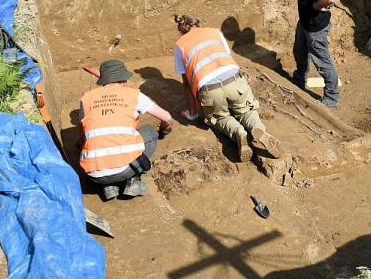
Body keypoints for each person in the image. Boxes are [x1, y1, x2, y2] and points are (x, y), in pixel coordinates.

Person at [173, 14, 280, 162]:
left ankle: (238, 132)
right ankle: (257, 128)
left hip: (210, 89)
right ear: (198, 24)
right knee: (246, 110)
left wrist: (193, 113)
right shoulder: (214, 32)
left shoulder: (180, 44)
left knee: (220, 117)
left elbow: (186, 84)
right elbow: (227, 56)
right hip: (234, 80)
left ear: (182, 30)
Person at [79, 59, 173, 200]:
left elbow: (83, 133)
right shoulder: (134, 95)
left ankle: (109, 187)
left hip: (94, 174)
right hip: (124, 170)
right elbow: (167, 117)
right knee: (148, 131)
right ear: (123, 79)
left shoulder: (86, 99)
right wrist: (165, 129)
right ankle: (132, 181)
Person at [290, 0, 339, 107]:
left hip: (315, 28)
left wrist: (316, 6)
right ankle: (298, 81)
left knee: (323, 63)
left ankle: (331, 98)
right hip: (304, 24)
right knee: (299, 52)